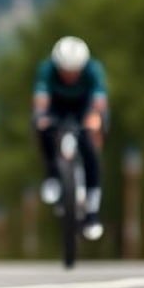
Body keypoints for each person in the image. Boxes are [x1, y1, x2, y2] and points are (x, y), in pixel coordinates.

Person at [33, 35, 109, 241]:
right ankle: (52, 175)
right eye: (65, 71)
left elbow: (99, 100)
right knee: (41, 129)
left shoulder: (94, 70)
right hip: (57, 107)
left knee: (91, 150)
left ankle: (92, 211)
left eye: (74, 71)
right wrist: (41, 117)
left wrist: (94, 119)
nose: (69, 76)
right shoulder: (47, 70)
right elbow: (41, 98)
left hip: (85, 108)